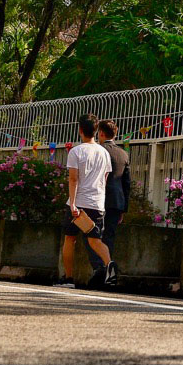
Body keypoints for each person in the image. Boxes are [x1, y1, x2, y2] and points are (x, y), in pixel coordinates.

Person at [56, 114, 113, 289]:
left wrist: (72, 203)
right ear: (96, 131)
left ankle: (68, 278)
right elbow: (105, 178)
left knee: (70, 239)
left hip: (79, 203)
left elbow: (73, 179)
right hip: (97, 202)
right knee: (95, 241)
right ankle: (111, 268)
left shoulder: (76, 151)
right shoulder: (104, 152)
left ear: (80, 130)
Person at [97, 119, 131, 285]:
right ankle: (107, 272)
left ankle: (100, 269)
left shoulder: (98, 150)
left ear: (101, 133)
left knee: (94, 235)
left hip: (98, 199)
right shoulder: (123, 154)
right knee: (109, 236)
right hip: (117, 201)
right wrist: (124, 208)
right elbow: (127, 183)